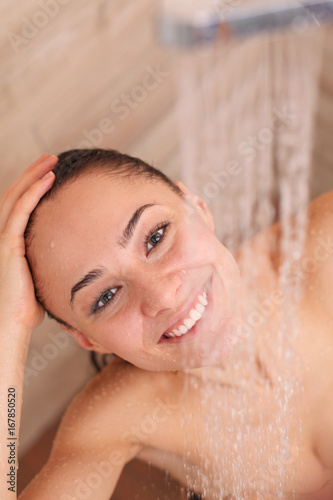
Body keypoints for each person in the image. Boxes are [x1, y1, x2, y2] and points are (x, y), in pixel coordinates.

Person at [1, 149, 333, 500]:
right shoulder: (120, 416)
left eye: (156, 237)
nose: (163, 297)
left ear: (198, 208)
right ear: (88, 339)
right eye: (105, 297)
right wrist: (9, 329)